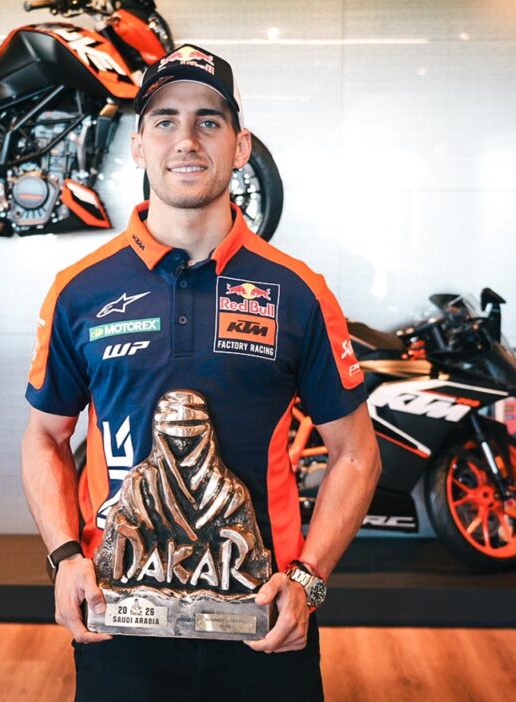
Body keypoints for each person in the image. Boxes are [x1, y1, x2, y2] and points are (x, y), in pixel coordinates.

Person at [21, 44, 381, 702]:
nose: (186, 140)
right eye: (165, 121)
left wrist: (308, 580)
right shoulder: (80, 291)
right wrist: (65, 556)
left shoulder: (298, 293)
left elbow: (356, 454)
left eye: (208, 121)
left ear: (240, 147)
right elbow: (45, 437)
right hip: (119, 623)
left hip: (264, 624)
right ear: (138, 146)